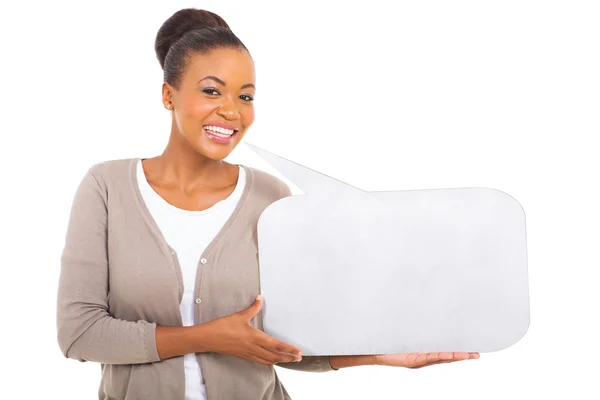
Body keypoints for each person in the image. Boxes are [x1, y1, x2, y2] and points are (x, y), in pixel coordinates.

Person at [56, 8, 479, 400]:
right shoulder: (107, 187)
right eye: (211, 91)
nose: (231, 111)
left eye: (245, 96)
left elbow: (284, 340)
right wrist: (208, 336)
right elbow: (79, 334)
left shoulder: (271, 197)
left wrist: (377, 355)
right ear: (169, 95)